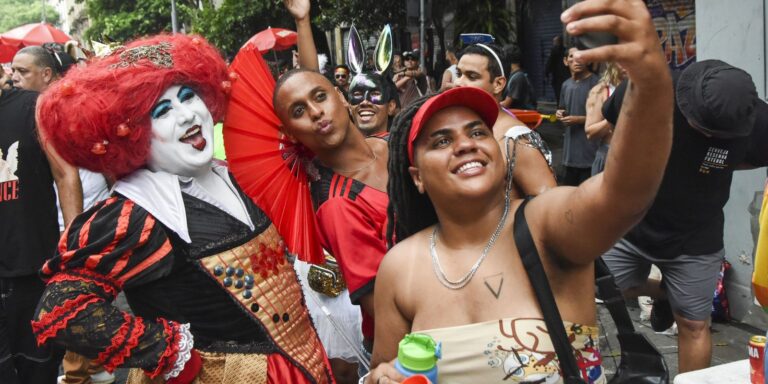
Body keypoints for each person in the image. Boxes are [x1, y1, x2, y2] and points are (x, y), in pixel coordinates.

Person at [366, 0, 673, 382]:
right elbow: (383, 367)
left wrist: (649, 78)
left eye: (478, 132)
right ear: (417, 177)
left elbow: (625, 193)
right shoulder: (399, 268)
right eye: (441, 141)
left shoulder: (544, 225)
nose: (466, 144)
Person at [31, 34, 334, 383]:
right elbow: (61, 310)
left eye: (188, 96)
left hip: (304, 363)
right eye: (162, 111)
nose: (187, 114)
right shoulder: (138, 213)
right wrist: (166, 350)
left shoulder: (228, 172)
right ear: (132, 134)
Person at [600, 59, 762, 373]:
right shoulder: (646, 90)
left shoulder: (755, 118)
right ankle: (662, 292)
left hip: (696, 235)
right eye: (704, 128)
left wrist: (716, 165)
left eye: (719, 134)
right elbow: (611, 127)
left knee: (693, 323)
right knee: (598, 289)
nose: (710, 136)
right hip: (632, 223)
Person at [12, 45, 114, 384]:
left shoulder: (71, 108)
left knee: (79, 299)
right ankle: (86, 364)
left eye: (22, 72)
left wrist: (76, 234)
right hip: (45, 227)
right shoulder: (23, 115)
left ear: (45, 75)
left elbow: (73, 170)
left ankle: (81, 369)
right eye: (13, 71)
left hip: (81, 223)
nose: (14, 77)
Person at [1, 49, 82, 384]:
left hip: (32, 268)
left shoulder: (33, 107)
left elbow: (66, 175)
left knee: (37, 369)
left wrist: (75, 249)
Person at [455, 43, 556, 196]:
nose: (458, 83)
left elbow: (550, 207)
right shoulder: (460, 124)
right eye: (459, 74)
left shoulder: (517, 140)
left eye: (471, 76)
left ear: (498, 84)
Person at [556, 46, 600, 186]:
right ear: (565, 61)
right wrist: (560, 114)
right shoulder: (565, 85)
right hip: (569, 155)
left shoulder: (597, 84)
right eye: (572, 57)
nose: (577, 61)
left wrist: (579, 119)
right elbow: (563, 109)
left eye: (581, 56)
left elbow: (605, 119)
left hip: (590, 155)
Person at [584, 62, 625, 175]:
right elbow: (590, 133)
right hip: (610, 156)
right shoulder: (600, 91)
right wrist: (615, 116)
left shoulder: (643, 89)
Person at [500, 45, 536, 110]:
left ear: (506, 59)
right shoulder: (515, 75)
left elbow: (506, 104)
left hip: (524, 118)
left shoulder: (518, 77)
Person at [545, 35, 569, 102]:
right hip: (565, 76)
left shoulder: (554, 50)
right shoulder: (565, 50)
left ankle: (560, 107)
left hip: (557, 77)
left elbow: (549, 63)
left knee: (559, 95)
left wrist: (546, 73)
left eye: (555, 41)